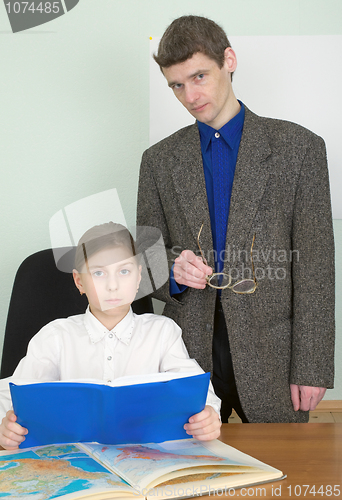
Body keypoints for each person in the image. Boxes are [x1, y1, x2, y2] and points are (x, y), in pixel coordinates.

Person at [137, 15, 335, 423]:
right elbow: (144, 262)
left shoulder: (300, 149)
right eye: (177, 85)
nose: (190, 95)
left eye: (199, 77)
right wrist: (172, 270)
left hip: (273, 354)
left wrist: (312, 367)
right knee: (189, 477)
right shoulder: (158, 161)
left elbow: (316, 269)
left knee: (282, 476)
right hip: (184, 353)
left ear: (229, 60)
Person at [0, 222, 221, 450]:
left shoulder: (163, 332)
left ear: (138, 278)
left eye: (124, 271)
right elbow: (9, 396)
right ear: (79, 281)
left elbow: (198, 395)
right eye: (98, 273)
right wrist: (4, 426)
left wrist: (209, 416)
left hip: (146, 461)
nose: (113, 285)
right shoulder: (54, 337)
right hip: (74, 464)